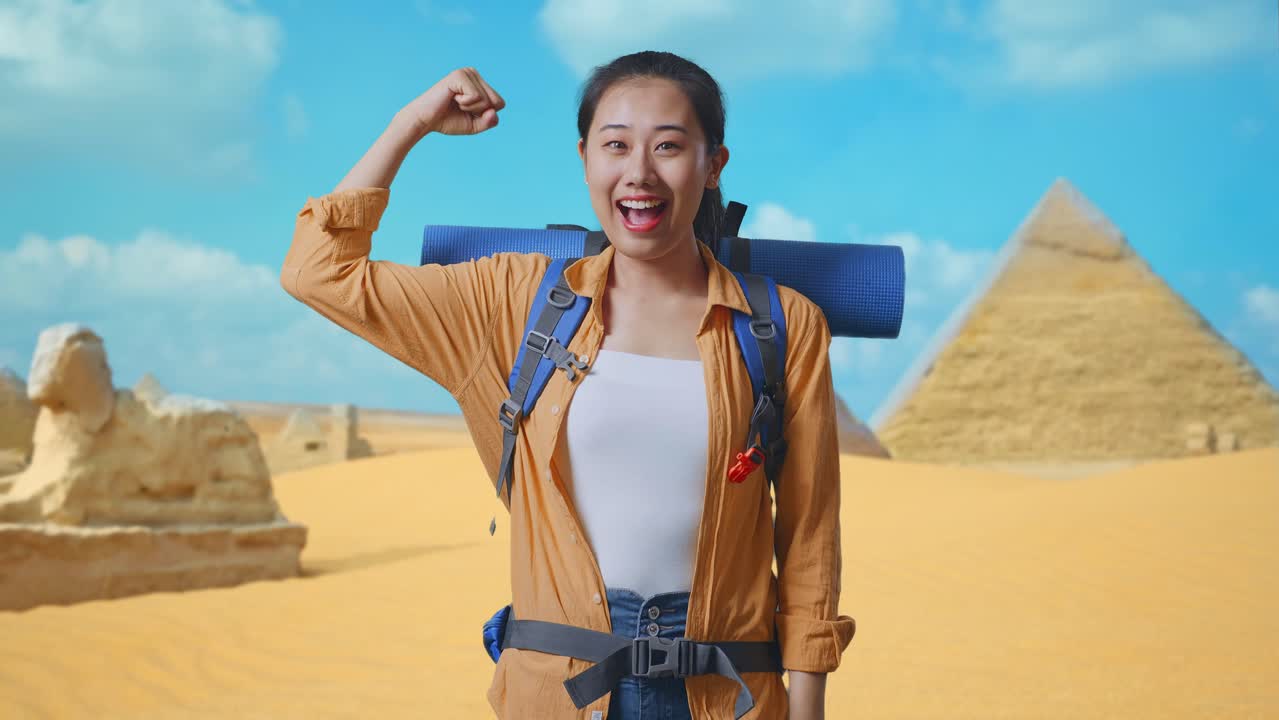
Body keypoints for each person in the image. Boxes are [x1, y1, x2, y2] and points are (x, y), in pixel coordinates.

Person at [281, 51, 854, 720]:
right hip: (557, 693)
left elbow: (810, 533)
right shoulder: (511, 303)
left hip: (729, 696)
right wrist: (410, 123)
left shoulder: (781, 325)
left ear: (713, 163)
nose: (639, 173)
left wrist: (808, 704)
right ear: (585, 158)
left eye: (669, 146)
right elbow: (317, 272)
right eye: (616, 145)